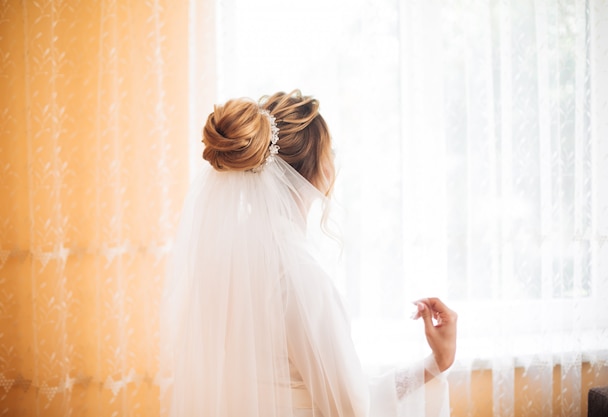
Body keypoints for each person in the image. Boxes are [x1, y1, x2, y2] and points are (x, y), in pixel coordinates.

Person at [160, 90, 457, 417]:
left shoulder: (221, 261)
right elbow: (353, 408)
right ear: (321, 169)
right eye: (330, 150)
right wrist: (436, 363)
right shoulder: (298, 277)